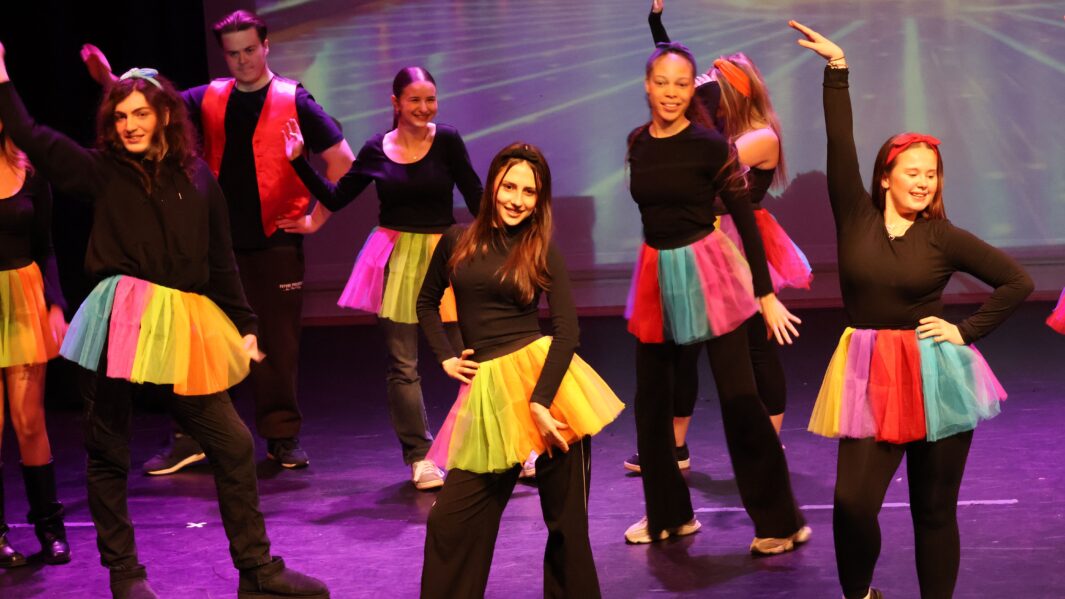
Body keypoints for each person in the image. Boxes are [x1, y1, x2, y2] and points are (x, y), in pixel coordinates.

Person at [0, 45, 330, 599]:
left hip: (182, 320)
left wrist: (245, 322)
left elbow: (221, 260)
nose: (129, 125)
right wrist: (2, 76)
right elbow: (31, 135)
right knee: (109, 449)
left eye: (140, 114)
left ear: (164, 117)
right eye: (120, 116)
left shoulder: (198, 178)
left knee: (231, 443)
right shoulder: (103, 171)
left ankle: (257, 569)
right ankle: (126, 576)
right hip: (120, 319)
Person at [791, 20, 1035, 599]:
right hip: (870, 370)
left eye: (931, 175)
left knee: (934, 510)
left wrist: (965, 331)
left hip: (935, 374)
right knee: (853, 503)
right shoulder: (855, 215)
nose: (924, 182)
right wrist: (837, 70)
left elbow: (1017, 281)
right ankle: (861, 594)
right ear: (886, 177)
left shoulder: (943, 237)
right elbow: (839, 145)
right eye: (913, 172)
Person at [81, 9, 355, 472]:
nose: (242, 60)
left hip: (273, 242)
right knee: (196, 341)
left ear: (266, 46)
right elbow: (152, 103)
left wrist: (315, 219)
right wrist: (109, 80)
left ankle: (281, 435)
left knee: (275, 344)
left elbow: (342, 161)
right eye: (233, 54)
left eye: (249, 50)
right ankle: (192, 435)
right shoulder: (210, 96)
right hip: (211, 245)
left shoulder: (294, 99)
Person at [623, 40, 810, 555]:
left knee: (739, 400)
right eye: (662, 82)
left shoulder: (709, 145)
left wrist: (765, 293)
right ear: (647, 86)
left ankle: (781, 522)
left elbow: (746, 219)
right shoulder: (637, 142)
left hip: (710, 270)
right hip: (657, 273)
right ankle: (670, 515)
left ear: (693, 90)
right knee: (652, 405)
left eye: (682, 84)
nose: (671, 92)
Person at [415, 142, 623, 598]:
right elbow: (426, 302)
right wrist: (446, 355)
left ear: (539, 199)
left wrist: (541, 401)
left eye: (529, 192)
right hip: (491, 392)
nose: (517, 199)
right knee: (450, 521)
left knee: (568, 528)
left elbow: (567, 332)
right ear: (493, 184)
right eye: (510, 186)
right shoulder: (457, 240)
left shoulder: (539, 248)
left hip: (550, 391)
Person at [282, 66, 482, 490]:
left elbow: (475, 198)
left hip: (445, 255)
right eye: (415, 100)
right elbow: (337, 196)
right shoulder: (377, 149)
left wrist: (503, 237)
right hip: (396, 258)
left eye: (431, 99)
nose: (424, 108)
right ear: (396, 103)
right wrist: (299, 161)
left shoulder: (447, 140)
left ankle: (500, 443)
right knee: (404, 365)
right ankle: (420, 457)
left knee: (472, 353)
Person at [0, 114, 70, 567]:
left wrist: (55, 304)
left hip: (24, 300)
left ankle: (50, 527)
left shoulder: (29, 171)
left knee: (29, 422)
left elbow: (46, 246)